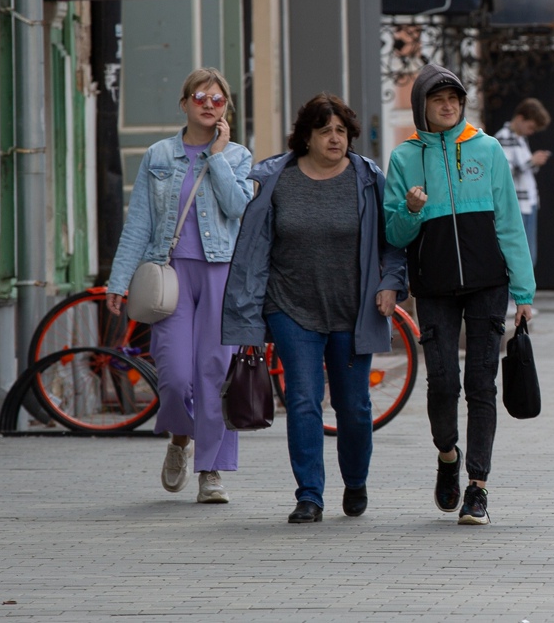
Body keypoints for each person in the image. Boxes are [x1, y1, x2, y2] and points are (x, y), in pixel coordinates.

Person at [222, 93, 407, 524]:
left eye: (341, 130)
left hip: (351, 310)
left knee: (355, 407)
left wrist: (391, 283)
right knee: (304, 400)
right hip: (290, 307)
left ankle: (355, 480)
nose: (335, 138)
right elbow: (252, 246)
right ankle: (309, 495)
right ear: (306, 137)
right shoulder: (274, 179)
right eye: (325, 131)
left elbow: (393, 239)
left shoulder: (367, 179)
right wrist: (250, 309)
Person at [384, 64, 536, 524]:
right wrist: (412, 211)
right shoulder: (404, 158)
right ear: (421, 107)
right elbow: (393, 232)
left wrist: (524, 293)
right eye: (437, 99)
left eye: (454, 98)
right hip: (433, 287)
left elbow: (509, 221)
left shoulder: (487, 149)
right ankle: (447, 455)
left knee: (481, 383)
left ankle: (478, 487)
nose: (448, 105)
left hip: (489, 285)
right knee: (444, 381)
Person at [106, 67, 253, 504]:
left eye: (218, 100)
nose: (209, 105)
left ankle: (211, 471)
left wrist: (219, 156)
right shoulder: (158, 155)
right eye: (201, 97)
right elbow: (139, 224)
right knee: (173, 376)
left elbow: (237, 207)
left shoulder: (238, 156)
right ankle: (180, 437)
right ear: (185, 103)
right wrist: (119, 280)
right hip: (167, 275)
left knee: (214, 373)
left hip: (219, 273)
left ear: (226, 109)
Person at [494, 98, 551, 267]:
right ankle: (515, 294)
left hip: (528, 202)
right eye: (530, 127)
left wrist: (533, 163)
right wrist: (531, 161)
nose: (531, 132)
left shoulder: (519, 138)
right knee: (521, 256)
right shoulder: (502, 138)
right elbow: (502, 173)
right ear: (520, 119)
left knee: (527, 256)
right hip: (516, 206)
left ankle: (521, 293)